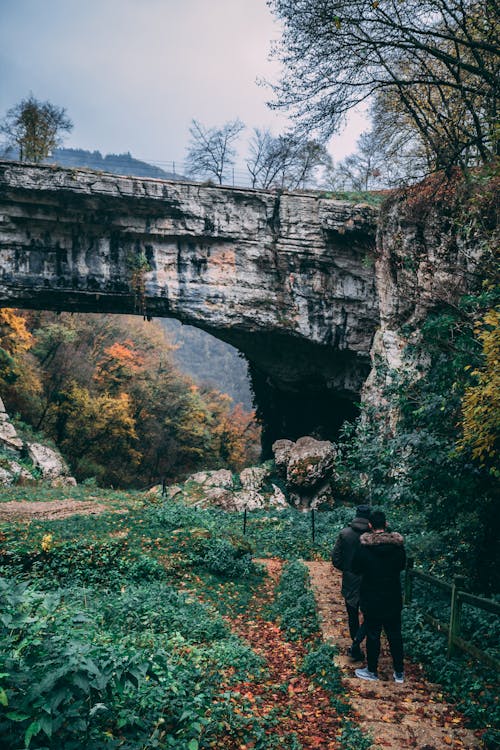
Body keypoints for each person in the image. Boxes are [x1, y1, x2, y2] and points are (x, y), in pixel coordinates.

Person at [351, 509, 406, 683]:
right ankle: (399, 673)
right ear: (386, 524)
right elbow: (402, 566)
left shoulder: (365, 548)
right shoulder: (398, 548)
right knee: (395, 634)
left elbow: (355, 567)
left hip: (372, 596)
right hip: (392, 597)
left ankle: (372, 671)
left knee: (373, 634)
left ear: (369, 526)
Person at [331, 504, 371, 661]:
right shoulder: (373, 536)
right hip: (370, 579)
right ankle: (361, 642)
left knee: (352, 614)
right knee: (370, 615)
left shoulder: (345, 533)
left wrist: (347, 569)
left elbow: (336, 559)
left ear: (356, 515)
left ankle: (355, 644)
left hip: (350, 580)